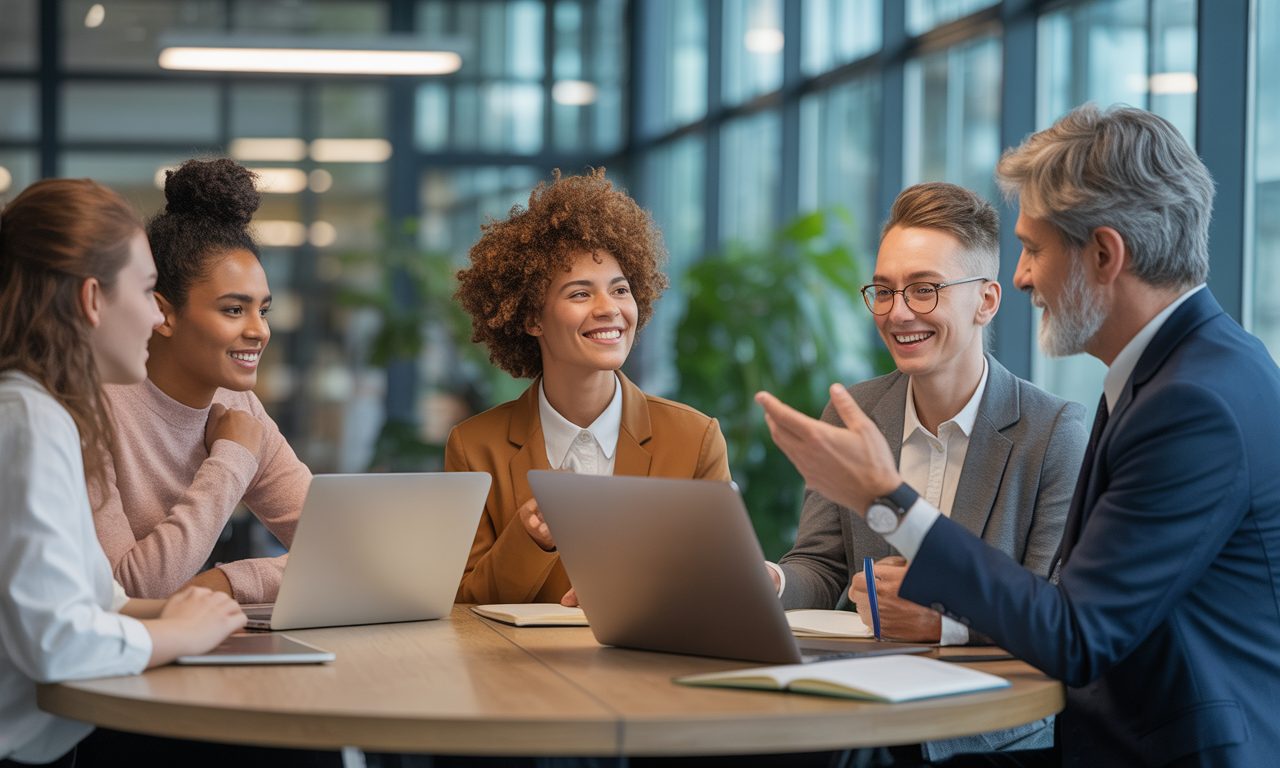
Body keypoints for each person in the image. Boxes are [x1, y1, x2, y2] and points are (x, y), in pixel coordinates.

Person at [757, 103, 1280, 766]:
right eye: (884, 291)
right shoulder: (1188, 372)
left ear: (1104, 254)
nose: (1023, 275)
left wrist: (888, 499)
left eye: (1034, 249)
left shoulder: (1189, 403)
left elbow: (1074, 632)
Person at [767, 182, 1086, 763]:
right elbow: (822, 565)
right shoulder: (855, 413)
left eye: (924, 289)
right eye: (884, 291)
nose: (897, 313)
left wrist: (945, 625)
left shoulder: (1053, 432)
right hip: (864, 718)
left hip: (991, 735)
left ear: (986, 301)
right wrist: (769, 583)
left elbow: (1058, 610)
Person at [0, 178, 246, 766]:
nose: (157, 315)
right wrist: (178, 632)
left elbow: (93, 596)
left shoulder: (45, 412)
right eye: (146, 290)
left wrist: (200, 610)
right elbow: (56, 640)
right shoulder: (29, 419)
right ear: (92, 299)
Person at [448, 168, 731, 606]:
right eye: (580, 294)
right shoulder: (475, 448)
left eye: (620, 290)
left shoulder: (694, 440)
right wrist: (529, 537)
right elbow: (462, 605)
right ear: (532, 318)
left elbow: (722, 586)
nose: (609, 309)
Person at [90, 158, 310, 604]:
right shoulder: (91, 411)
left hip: (182, 634)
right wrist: (232, 459)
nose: (259, 330)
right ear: (164, 314)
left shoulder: (240, 409)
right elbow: (128, 590)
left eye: (263, 310)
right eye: (234, 310)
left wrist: (228, 582)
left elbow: (341, 547)